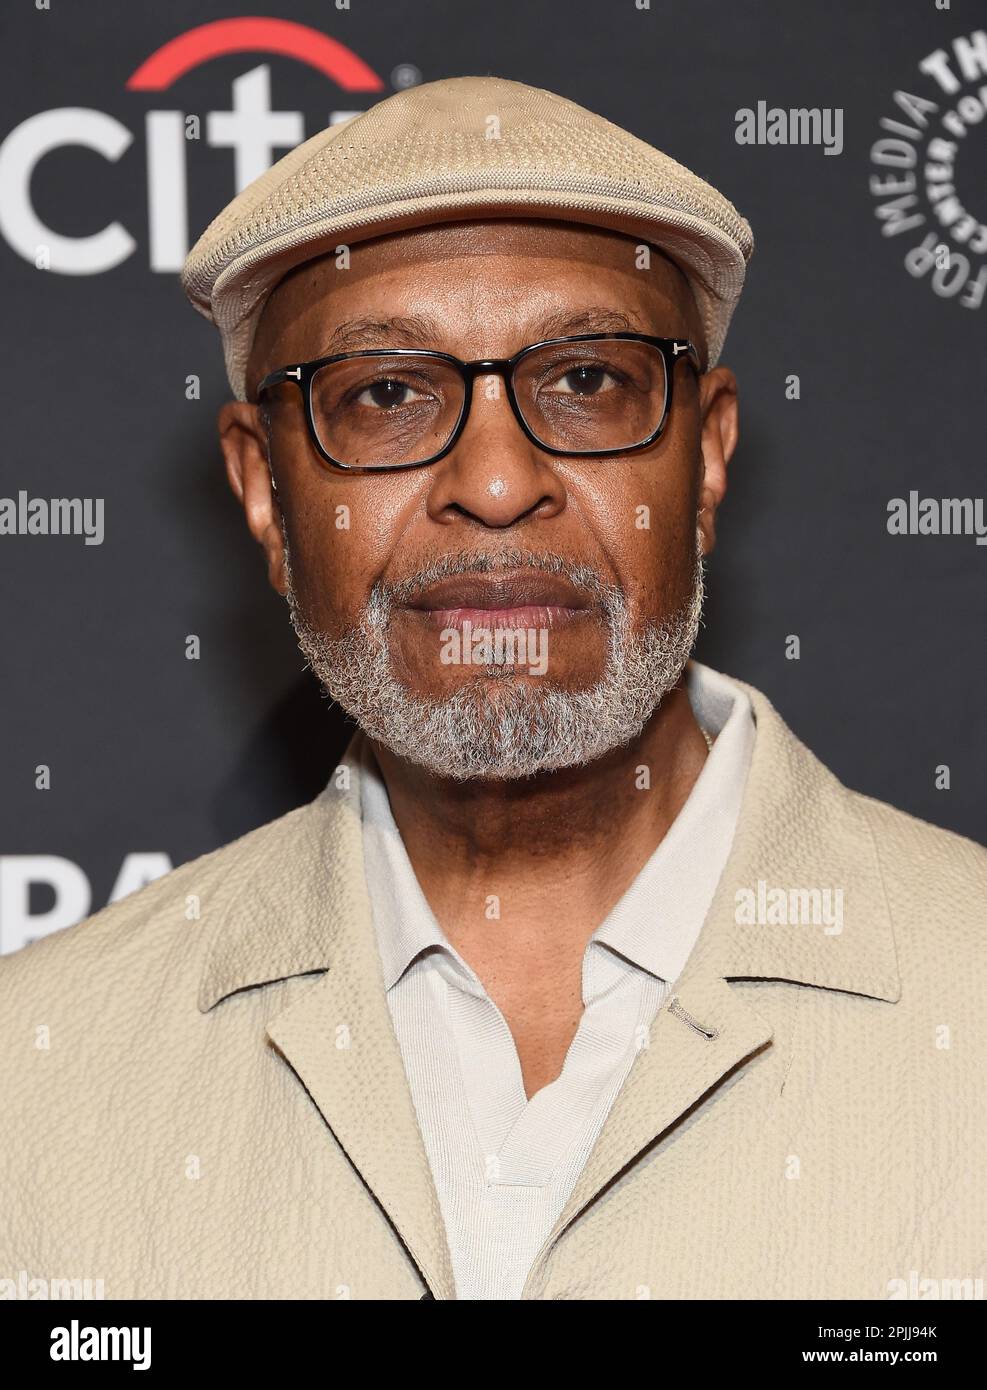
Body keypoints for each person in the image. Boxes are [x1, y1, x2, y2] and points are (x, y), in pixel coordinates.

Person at [1, 76, 984, 1302]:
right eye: (385, 394)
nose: (501, 480)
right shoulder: (37, 1075)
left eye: (586, 380)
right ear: (262, 489)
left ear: (711, 450)